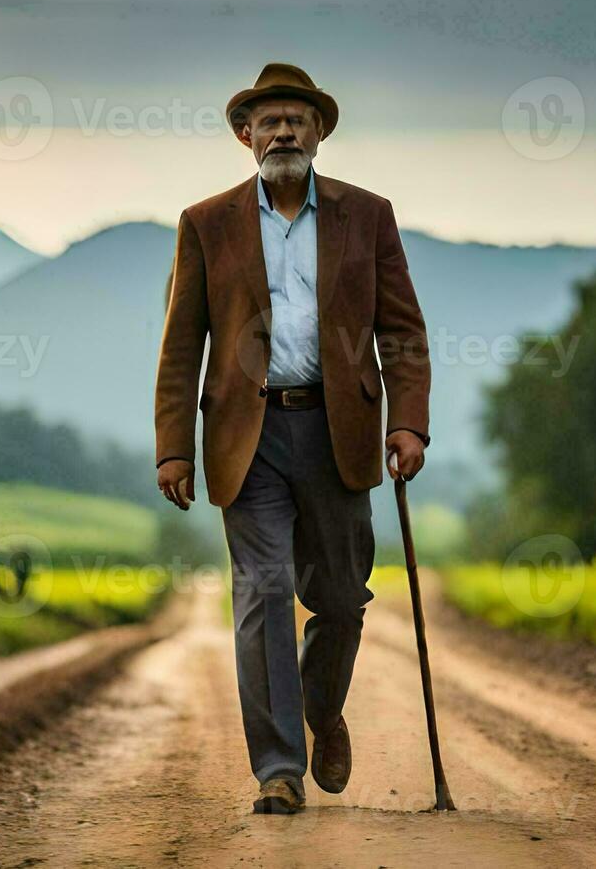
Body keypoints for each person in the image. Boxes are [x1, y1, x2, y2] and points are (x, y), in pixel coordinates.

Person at [154, 63, 431, 815]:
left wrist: (407, 421)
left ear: (320, 133)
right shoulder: (206, 222)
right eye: (269, 120)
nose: (283, 131)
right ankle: (279, 768)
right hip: (248, 434)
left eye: (297, 120)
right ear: (245, 136)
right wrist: (173, 444)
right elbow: (182, 344)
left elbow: (403, 333)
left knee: (339, 600)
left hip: (338, 430)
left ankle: (320, 707)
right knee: (264, 591)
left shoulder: (367, 215)